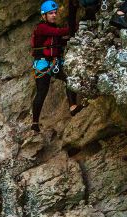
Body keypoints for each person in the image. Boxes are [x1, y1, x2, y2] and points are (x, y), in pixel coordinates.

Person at [30, 1, 83, 133]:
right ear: (44, 16)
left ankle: (72, 106)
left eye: (55, 13)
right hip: (42, 64)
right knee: (42, 92)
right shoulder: (42, 28)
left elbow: (59, 40)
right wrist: (75, 27)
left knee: (70, 78)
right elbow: (58, 33)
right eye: (50, 13)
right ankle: (34, 123)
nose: (54, 15)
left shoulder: (53, 27)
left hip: (55, 62)